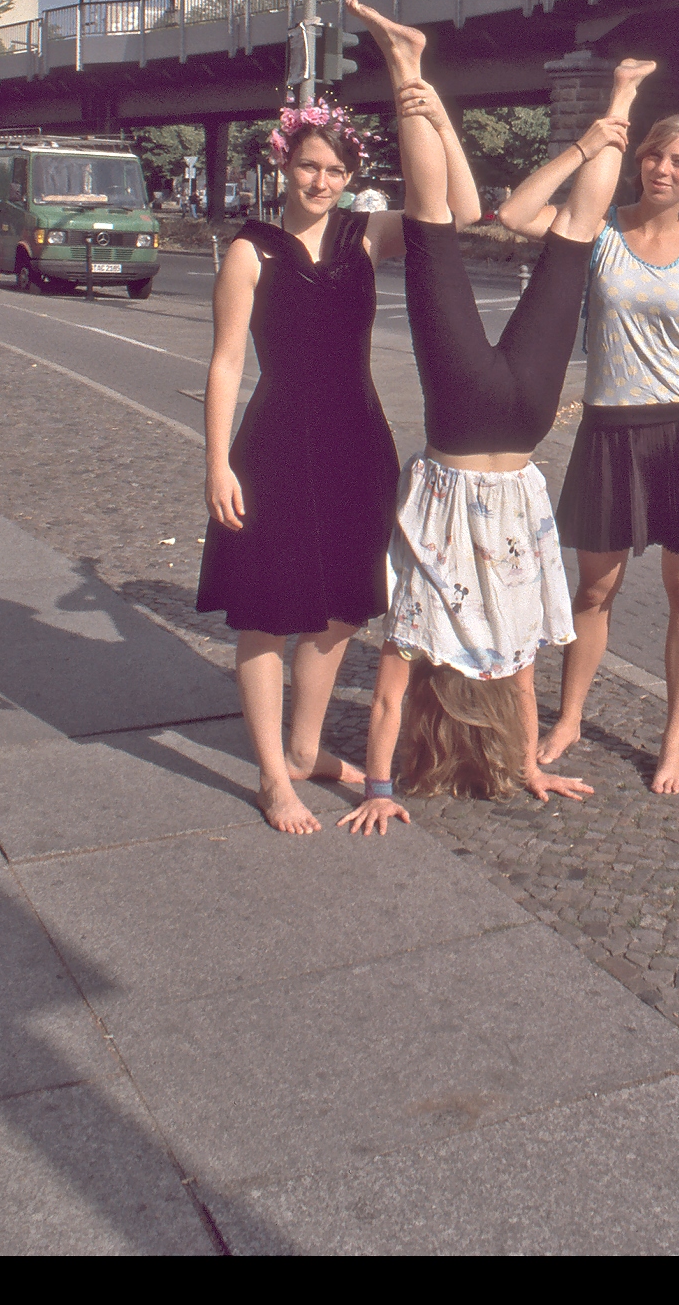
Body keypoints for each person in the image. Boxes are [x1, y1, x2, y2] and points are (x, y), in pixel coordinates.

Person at [334, 0, 653, 834]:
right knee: (432, 233)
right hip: (464, 428)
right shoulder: (419, 634)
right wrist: (378, 786)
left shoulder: (501, 645)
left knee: (573, 238)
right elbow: (386, 708)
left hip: (519, 434)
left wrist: (525, 766)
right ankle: (405, 65)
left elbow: (520, 689)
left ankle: (622, 98)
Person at [195, 96, 478, 833]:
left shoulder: (366, 235)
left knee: (341, 608)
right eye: (307, 166)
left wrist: (437, 117)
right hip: (274, 448)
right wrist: (217, 463)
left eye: (334, 171)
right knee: (265, 614)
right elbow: (226, 364)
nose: (319, 182)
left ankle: (304, 748)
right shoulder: (250, 251)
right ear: (283, 164)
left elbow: (464, 211)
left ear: (352, 177)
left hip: (356, 442)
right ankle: (271, 778)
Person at [528, 114, 679, 794]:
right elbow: (517, 214)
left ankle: (674, 742)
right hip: (611, 432)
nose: (663, 169)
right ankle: (569, 718)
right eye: (655, 155)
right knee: (594, 588)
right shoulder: (598, 230)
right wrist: (589, 143)